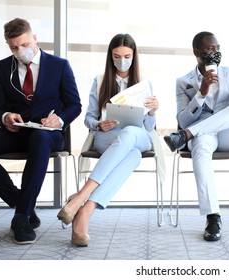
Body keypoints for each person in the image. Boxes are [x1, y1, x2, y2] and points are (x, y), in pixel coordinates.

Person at [0, 18, 81, 244]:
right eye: (14, 47)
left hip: (49, 135)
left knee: (40, 137)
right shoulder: (2, 67)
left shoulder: (59, 65)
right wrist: (5, 117)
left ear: (34, 38)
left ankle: (21, 217)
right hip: (15, 133)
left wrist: (60, 119)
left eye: (24, 45)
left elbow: (75, 105)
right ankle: (22, 203)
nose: (20, 51)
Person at [57, 33, 159, 247]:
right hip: (108, 137)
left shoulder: (144, 82)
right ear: (110, 56)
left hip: (138, 136)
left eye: (127, 56)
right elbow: (89, 118)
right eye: (117, 55)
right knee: (132, 156)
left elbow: (149, 128)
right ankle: (85, 212)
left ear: (134, 56)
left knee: (130, 133)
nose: (122, 60)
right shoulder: (101, 80)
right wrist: (98, 125)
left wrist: (152, 112)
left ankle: (79, 197)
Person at [164, 31, 229, 241]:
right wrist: (201, 93)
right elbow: (183, 119)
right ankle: (213, 216)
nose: (215, 52)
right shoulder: (183, 82)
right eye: (210, 49)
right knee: (201, 146)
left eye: (218, 48)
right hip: (206, 135)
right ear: (197, 52)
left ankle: (185, 136)